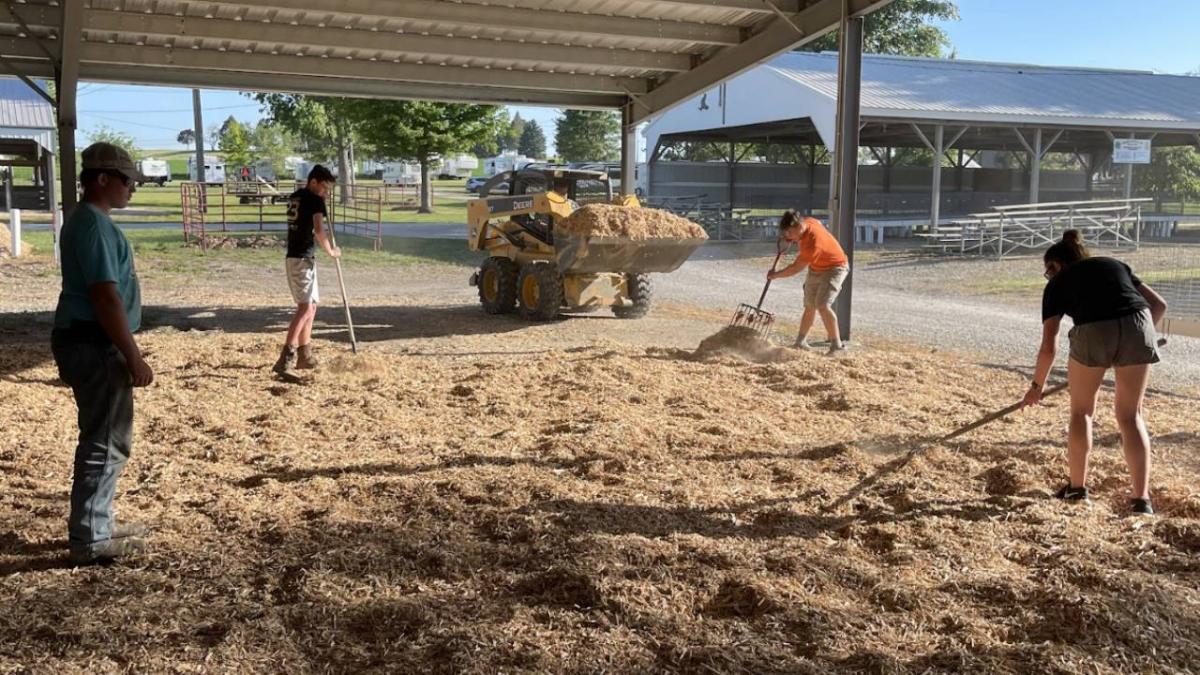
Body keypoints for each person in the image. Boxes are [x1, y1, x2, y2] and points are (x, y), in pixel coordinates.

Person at [51, 142, 153, 566]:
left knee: (105, 436)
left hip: (86, 338)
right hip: (94, 342)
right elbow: (105, 297)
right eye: (127, 180)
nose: (132, 188)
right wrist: (133, 355)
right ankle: (91, 538)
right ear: (103, 179)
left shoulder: (88, 221)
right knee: (106, 440)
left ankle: (99, 523)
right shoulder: (92, 225)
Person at [1021, 230, 1167, 515]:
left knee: (1082, 412)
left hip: (1093, 332)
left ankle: (1077, 489)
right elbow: (1159, 305)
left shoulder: (1057, 283)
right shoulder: (1113, 264)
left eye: (1048, 271)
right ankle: (1141, 500)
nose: (1048, 277)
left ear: (1056, 265)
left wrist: (1036, 387)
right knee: (1130, 416)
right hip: (1139, 324)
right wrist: (1140, 339)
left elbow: (1049, 346)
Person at [274, 164, 341, 373]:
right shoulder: (314, 200)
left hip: (299, 256)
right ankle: (286, 357)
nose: (326, 193)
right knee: (304, 308)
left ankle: (305, 354)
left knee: (311, 307)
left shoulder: (296, 196)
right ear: (313, 182)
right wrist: (331, 251)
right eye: (324, 188)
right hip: (301, 259)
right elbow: (319, 231)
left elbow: (305, 226)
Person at [767, 211, 851, 353]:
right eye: (785, 233)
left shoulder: (812, 245)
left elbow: (795, 268)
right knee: (810, 305)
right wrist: (792, 237)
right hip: (817, 267)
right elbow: (816, 223)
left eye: (789, 232)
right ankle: (800, 342)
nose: (787, 236)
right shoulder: (809, 221)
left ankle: (837, 346)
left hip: (835, 267)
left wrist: (775, 275)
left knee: (822, 305)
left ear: (799, 226)